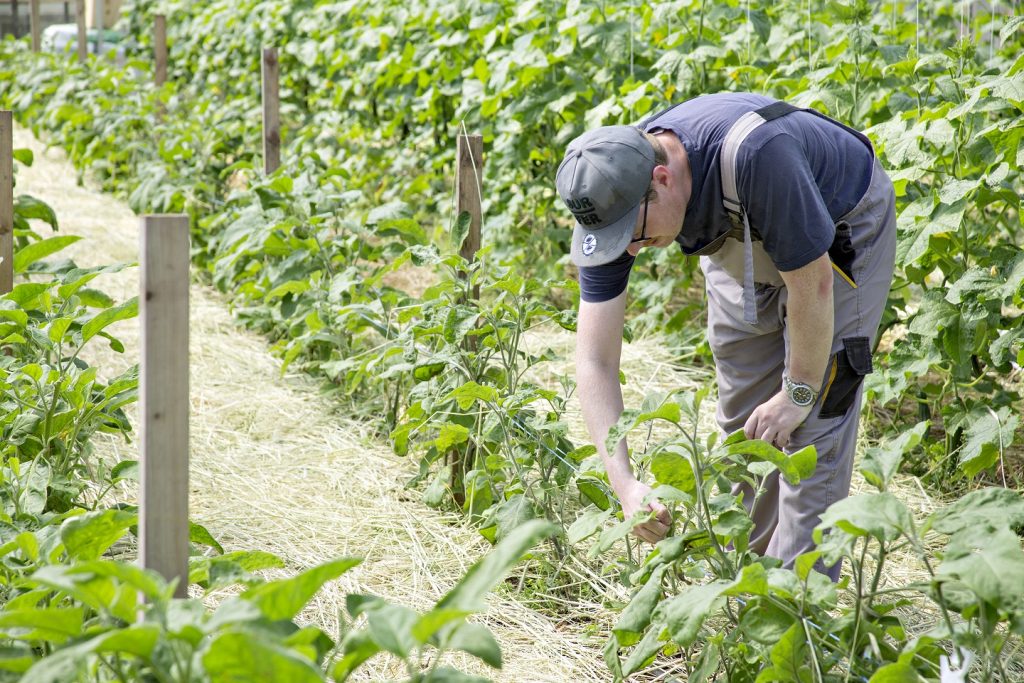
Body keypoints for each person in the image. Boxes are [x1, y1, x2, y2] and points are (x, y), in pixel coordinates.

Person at [555, 92, 896, 580]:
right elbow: (594, 361)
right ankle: (747, 588)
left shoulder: (757, 155)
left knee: (810, 428)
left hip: (837, 236)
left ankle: (798, 620)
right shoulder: (612, 188)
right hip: (740, 234)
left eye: (634, 234)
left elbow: (814, 284)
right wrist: (626, 485)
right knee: (746, 427)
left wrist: (797, 394)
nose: (629, 250)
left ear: (662, 179)